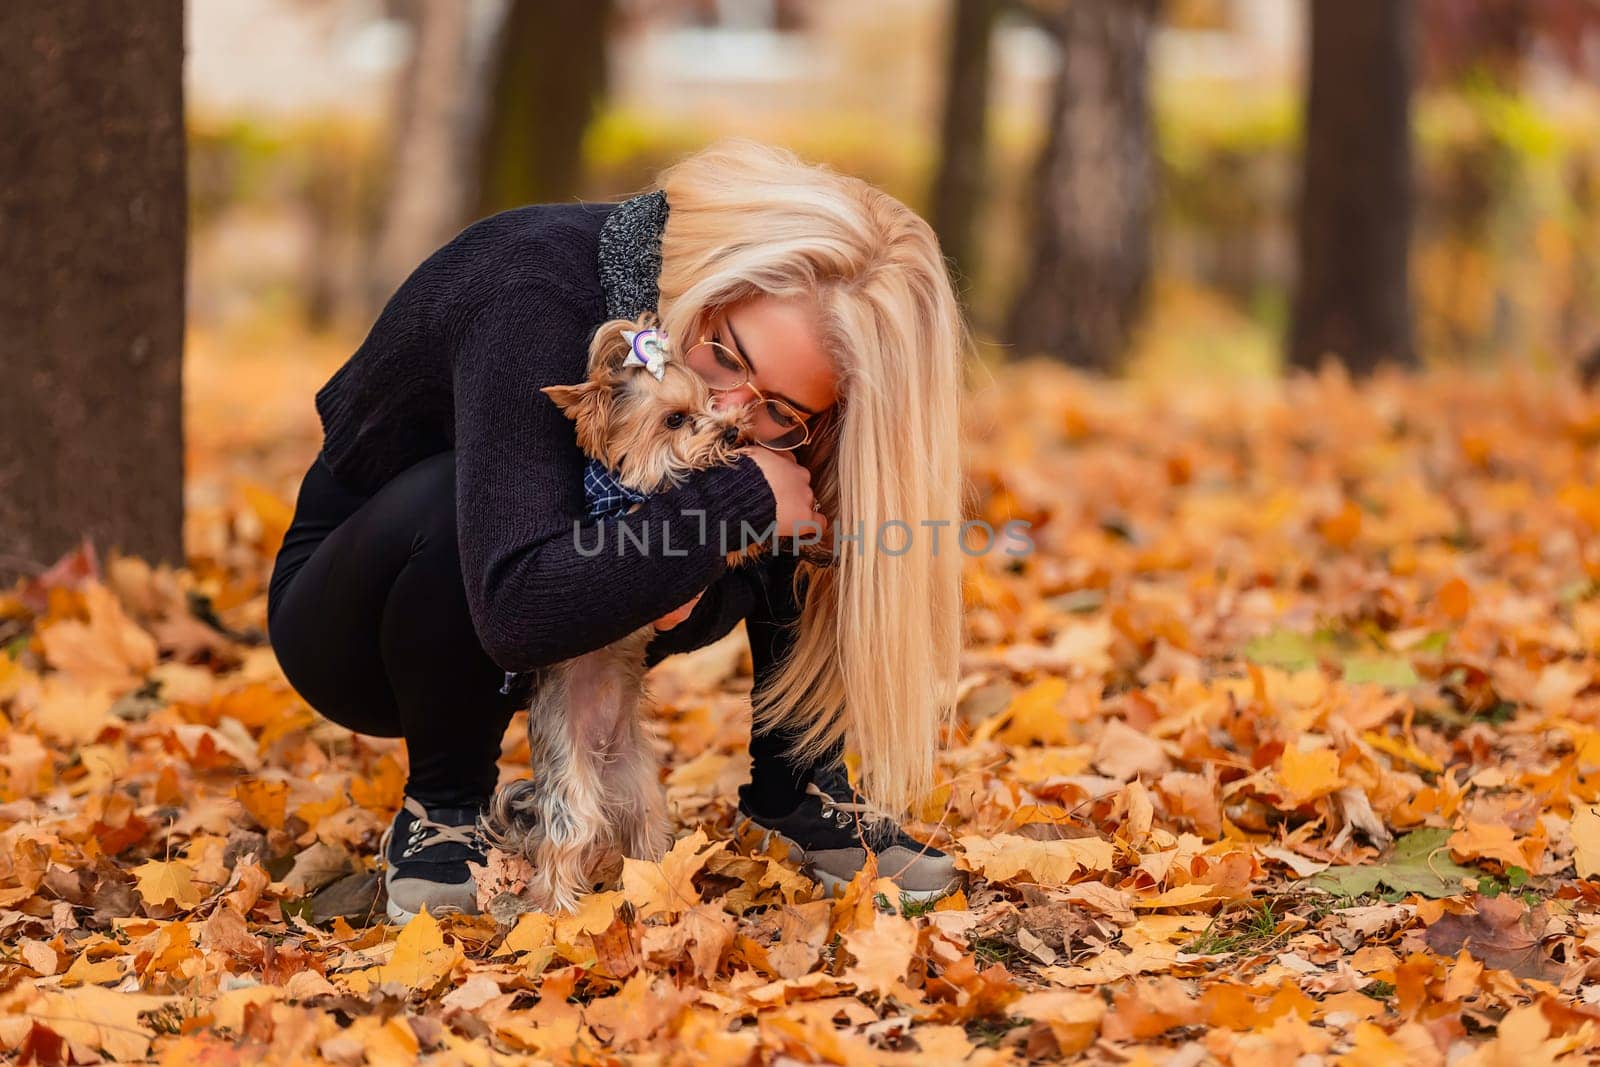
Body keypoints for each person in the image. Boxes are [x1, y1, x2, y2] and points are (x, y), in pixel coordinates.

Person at [266, 139, 967, 921]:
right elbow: (516, 610)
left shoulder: (734, 402)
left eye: (777, 400)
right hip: (378, 617)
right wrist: (730, 503)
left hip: (592, 582)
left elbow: (758, 473)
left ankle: (799, 787)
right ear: (710, 283)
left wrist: (773, 469)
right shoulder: (530, 289)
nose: (734, 409)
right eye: (728, 357)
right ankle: (445, 807)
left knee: (798, 472)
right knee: (470, 495)